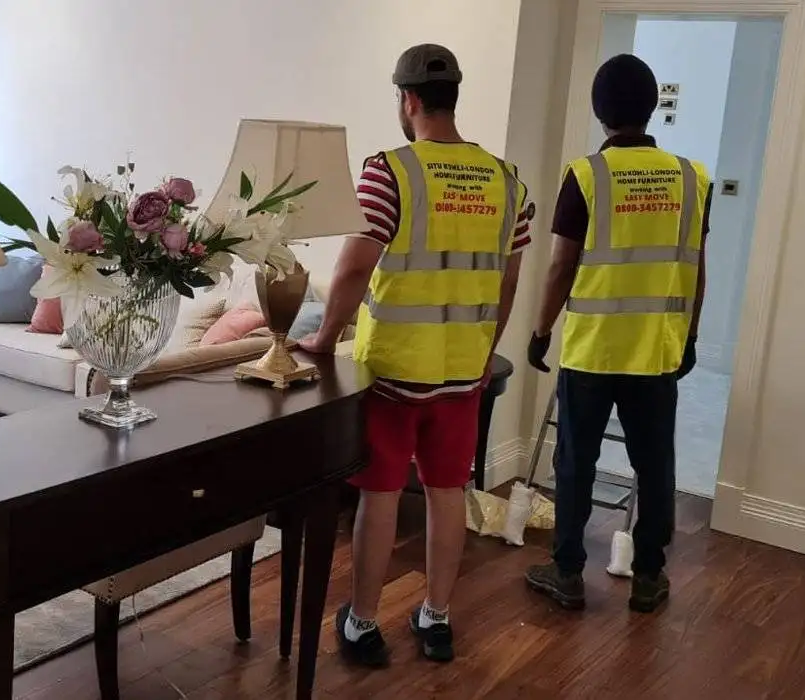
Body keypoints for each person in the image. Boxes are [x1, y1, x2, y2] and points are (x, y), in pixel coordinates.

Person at [299, 43, 532, 666]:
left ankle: (364, 625)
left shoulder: (391, 171)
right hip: (463, 372)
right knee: (447, 491)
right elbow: (508, 279)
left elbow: (351, 270)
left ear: (407, 100)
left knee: (379, 494)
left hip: (394, 371)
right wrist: (486, 348)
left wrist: (323, 341)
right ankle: (436, 619)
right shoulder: (508, 181)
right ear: (454, 95)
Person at [523, 54, 712, 614]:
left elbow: (561, 265)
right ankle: (650, 576)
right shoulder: (691, 176)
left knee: (575, 462)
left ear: (599, 112)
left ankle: (567, 572)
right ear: (651, 107)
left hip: (593, 347)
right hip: (657, 348)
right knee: (655, 464)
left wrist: (540, 330)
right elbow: (698, 266)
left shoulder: (586, 175)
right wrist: (691, 335)